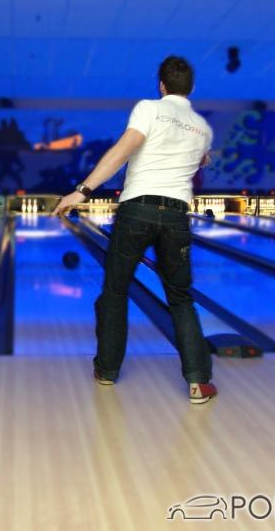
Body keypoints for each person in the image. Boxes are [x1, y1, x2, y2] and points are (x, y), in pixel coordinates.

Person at [52, 56, 217, 404]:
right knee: (181, 298)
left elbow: (122, 151)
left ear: (162, 85)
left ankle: (107, 371)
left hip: (137, 210)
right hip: (176, 216)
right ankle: (199, 382)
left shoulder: (149, 108)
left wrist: (82, 191)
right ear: (191, 88)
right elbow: (202, 159)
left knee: (115, 291)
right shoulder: (202, 128)